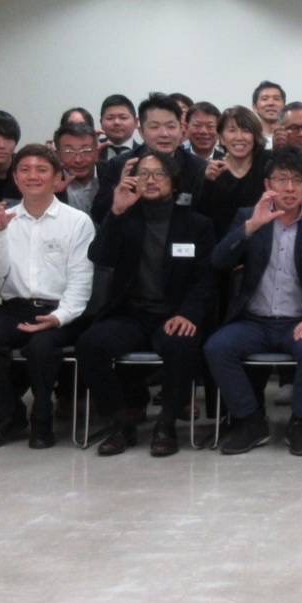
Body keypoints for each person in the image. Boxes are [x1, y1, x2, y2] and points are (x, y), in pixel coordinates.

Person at [205, 147, 302, 458]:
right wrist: (250, 227)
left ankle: (299, 423)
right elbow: (218, 262)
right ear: (268, 184)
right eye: (281, 179)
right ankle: (251, 420)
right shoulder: (248, 217)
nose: (289, 188)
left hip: (299, 321)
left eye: (297, 180)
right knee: (217, 347)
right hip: (253, 321)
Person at [77, 148, 217, 458]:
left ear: (173, 182)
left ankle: (166, 424)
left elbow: (206, 279)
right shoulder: (124, 217)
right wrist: (116, 212)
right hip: (130, 313)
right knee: (90, 345)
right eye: (143, 174)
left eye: (159, 174)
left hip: (174, 314)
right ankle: (120, 422)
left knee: (182, 345)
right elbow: (100, 257)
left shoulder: (197, 224)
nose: (151, 180)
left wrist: (189, 314)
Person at [0, 144, 95, 450]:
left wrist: (58, 317)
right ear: (15, 178)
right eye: (24, 170)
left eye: (42, 170)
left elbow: (81, 280)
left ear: (57, 178)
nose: (32, 176)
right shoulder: (4, 217)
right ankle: (7, 418)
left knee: (41, 347)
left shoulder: (77, 221)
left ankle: (42, 420)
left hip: (60, 309)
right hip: (15, 307)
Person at [91, 93, 207, 221]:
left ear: (181, 129)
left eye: (171, 126)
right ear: (141, 132)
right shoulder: (120, 164)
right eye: (154, 127)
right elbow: (98, 214)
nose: (164, 134)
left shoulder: (197, 167)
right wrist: (118, 192)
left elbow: (206, 217)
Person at [197, 105, 270, 238]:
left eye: (246, 131)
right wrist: (207, 182)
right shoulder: (212, 169)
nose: (239, 137)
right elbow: (202, 216)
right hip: (223, 244)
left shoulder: (268, 162)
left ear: (255, 136)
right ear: (221, 138)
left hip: (263, 241)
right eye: (232, 130)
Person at [55, 121, 102, 217]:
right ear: (58, 155)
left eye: (86, 151)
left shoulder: (112, 176)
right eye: (69, 152)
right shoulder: (49, 182)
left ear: (97, 153)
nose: (78, 160)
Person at [98, 95, 138, 162]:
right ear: (101, 123)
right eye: (110, 118)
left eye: (123, 117)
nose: (116, 122)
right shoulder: (93, 150)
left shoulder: (144, 153)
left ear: (136, 122)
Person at [252, 81, 286, 149]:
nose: (271, 103)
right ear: (255, 107)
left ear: (284, 105)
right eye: (265, 99)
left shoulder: (291, 137)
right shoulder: (250, 138)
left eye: (276, 99)